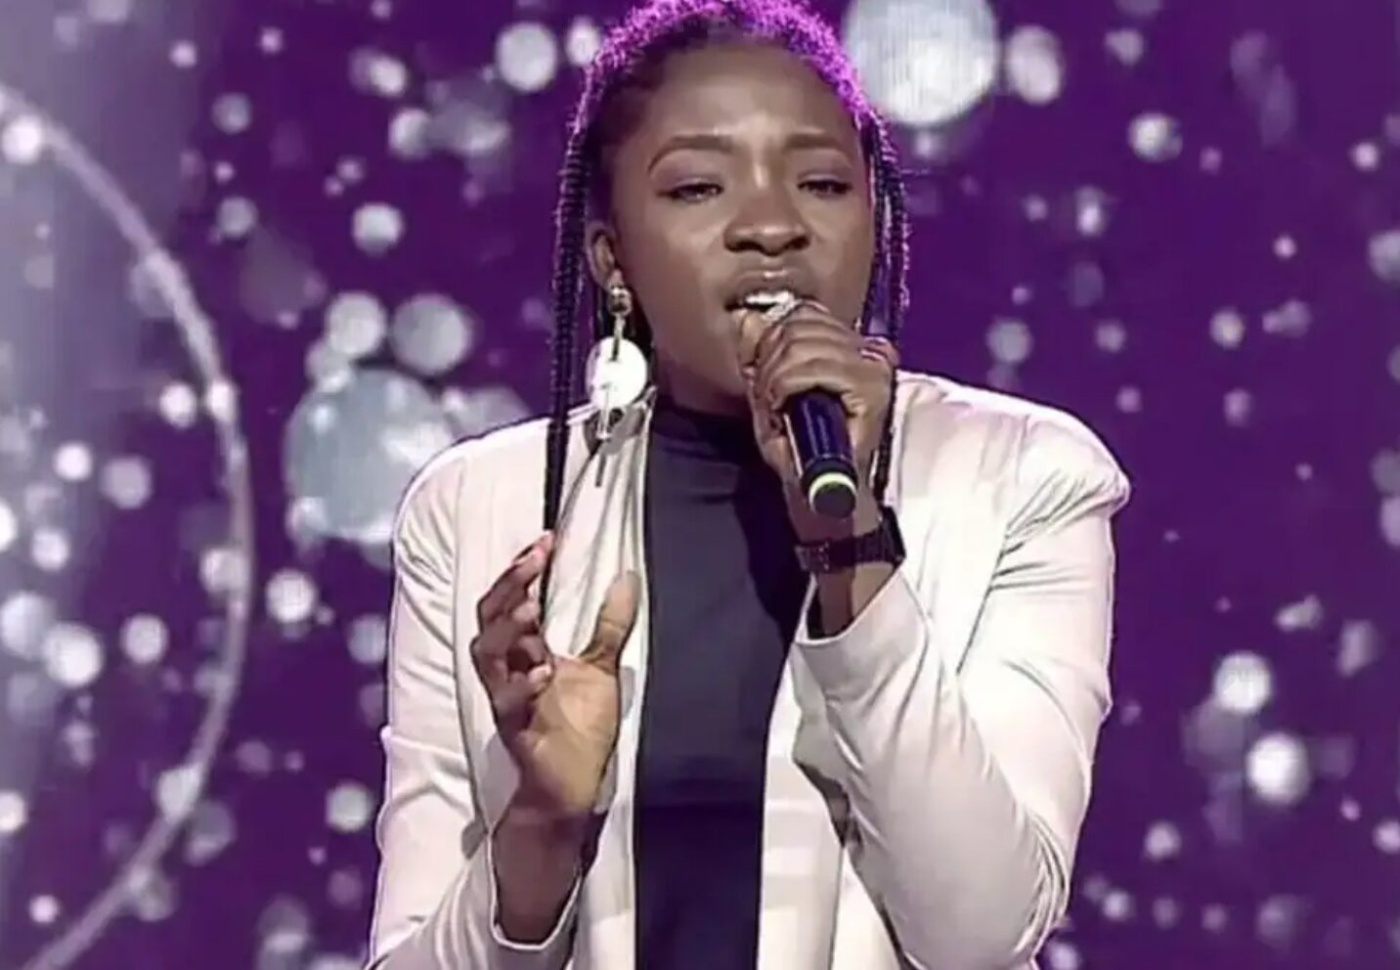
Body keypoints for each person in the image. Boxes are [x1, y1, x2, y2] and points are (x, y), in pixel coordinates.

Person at [365, 0, 1130, 968]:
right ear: (613, 260)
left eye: (821, 182)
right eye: (697, 187)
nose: (771, 226)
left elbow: (981, 931)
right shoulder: (478, 511)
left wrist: (851, 551)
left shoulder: (1026, 479)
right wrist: (543, 825)